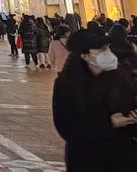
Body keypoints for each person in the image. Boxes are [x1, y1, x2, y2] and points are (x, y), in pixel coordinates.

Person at [52, 28, 137, 170]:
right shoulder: (67, 84)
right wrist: (109, 123)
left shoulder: (120, 77)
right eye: (101, 50)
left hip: (123, 157)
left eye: (108, 48)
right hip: (87, 159)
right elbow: (66, 127)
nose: (108, 53)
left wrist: (132, 119)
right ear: (85, 56)